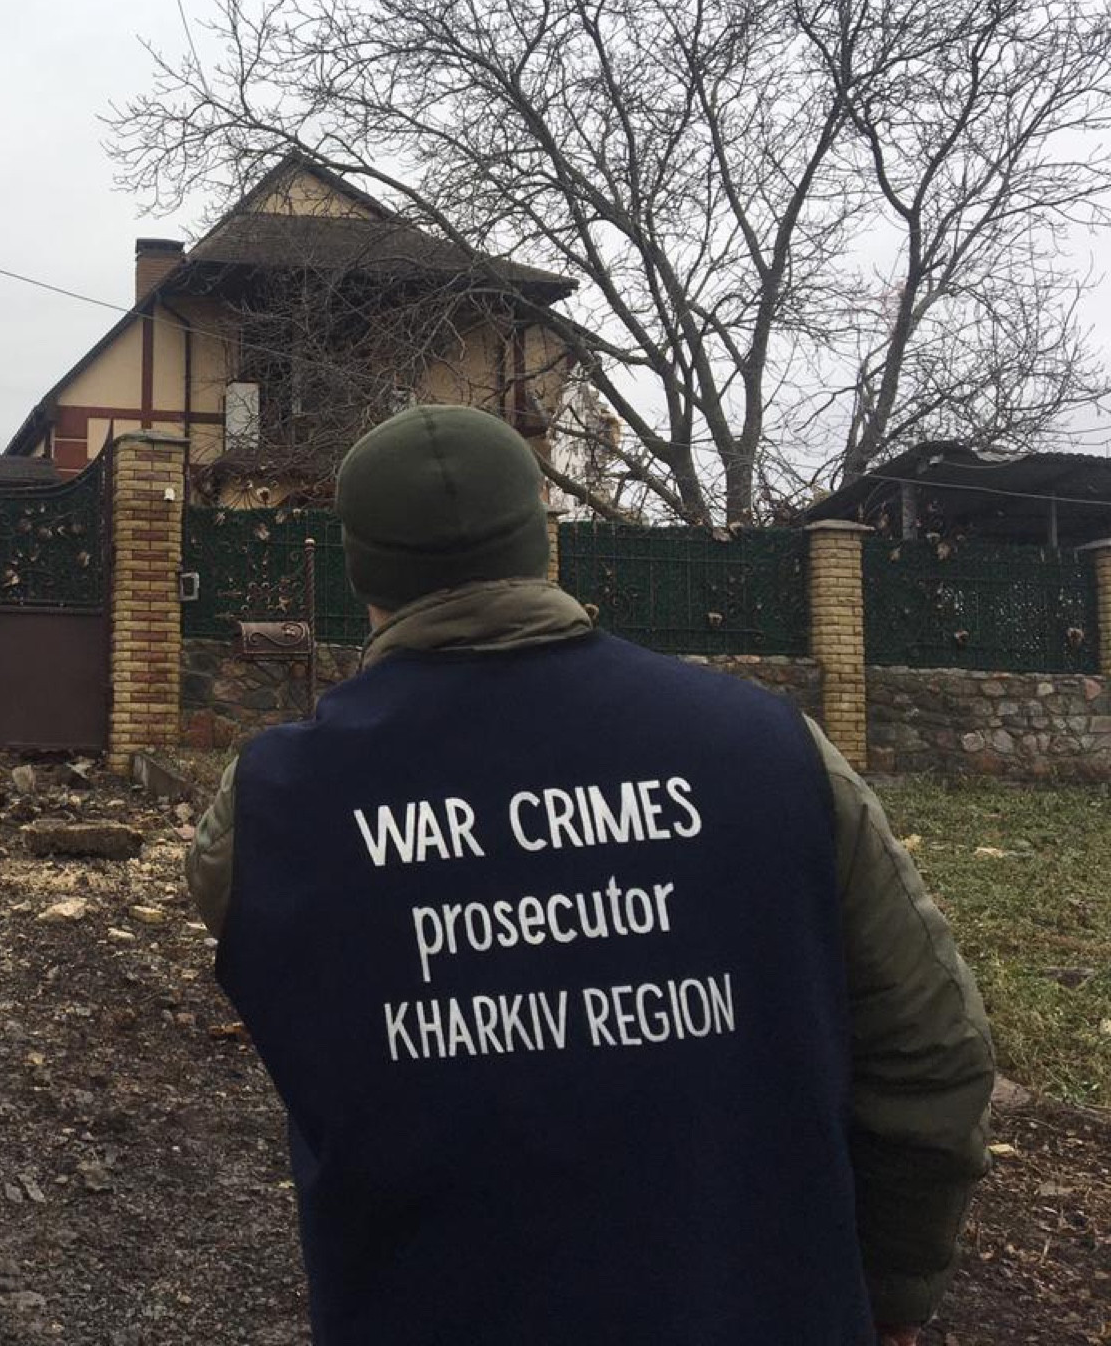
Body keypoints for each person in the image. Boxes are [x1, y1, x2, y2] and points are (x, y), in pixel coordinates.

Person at [187, 405, 993, 1346]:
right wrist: (891, 1285)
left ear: (361, 570)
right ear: (541, 540)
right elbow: (933, 1047)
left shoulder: (274, 808)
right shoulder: (771, 751)